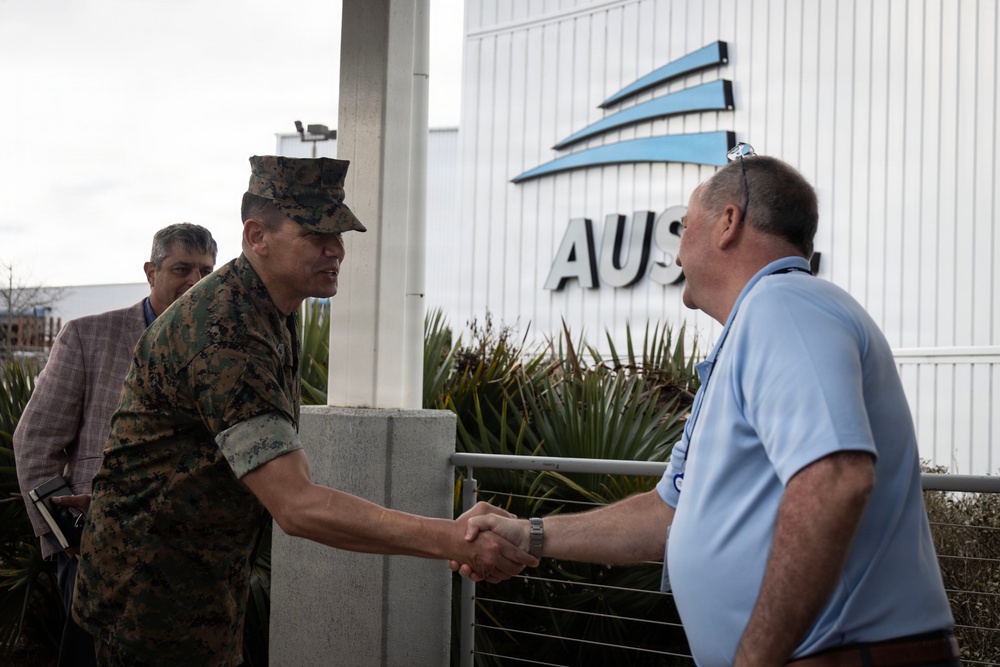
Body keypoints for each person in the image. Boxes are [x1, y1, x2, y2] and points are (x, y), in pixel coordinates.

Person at [455, 147, 960, 667]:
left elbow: (837, 480)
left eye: (682, 227)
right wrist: (530, 534)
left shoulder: (783, 306)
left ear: (728, 222)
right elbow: (665, 514)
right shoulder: (763, 323)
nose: (675, 255)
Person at [71, 156, 536, 666]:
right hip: (152, 594)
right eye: (316, 234)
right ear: (256, 237)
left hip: (197, 579)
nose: (336, 249)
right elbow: (296, 505)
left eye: (339, 234)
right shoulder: (226, 333)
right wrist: (453, 538)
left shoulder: (268, 304)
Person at [13, 223, 218, 667]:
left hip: (188, 552)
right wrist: (62, 537)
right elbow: (35, 442)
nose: (195, 282)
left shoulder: (219, 350)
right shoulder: (88, 336)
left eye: (205, 270)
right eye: (181, 268)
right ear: (150, 271)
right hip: (95, 551)